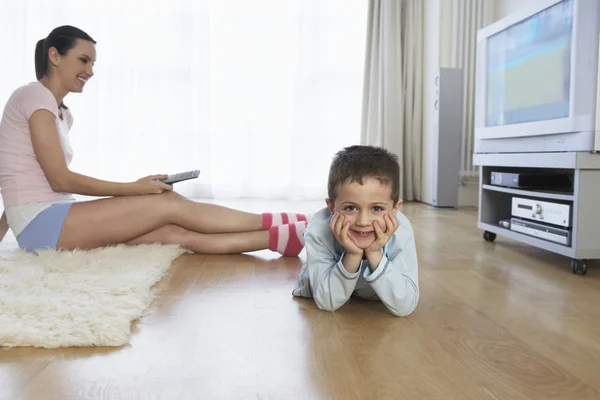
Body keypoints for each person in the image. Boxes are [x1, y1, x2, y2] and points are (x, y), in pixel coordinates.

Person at [0, 25, 308, 256]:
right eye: (83, 60)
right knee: (166, 204)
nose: (90, 71)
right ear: (54, 55)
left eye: (92, 63)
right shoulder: (34, 96)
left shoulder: (61, 114)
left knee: (172, 232)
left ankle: (283, 239)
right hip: (44, 223)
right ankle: (280, 220)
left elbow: (17, 178)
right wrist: (134, 190)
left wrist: (135, 190)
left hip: (44, 221)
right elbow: (58, 179)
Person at [292, 145, 419, 316]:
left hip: (371, 290)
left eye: (377, 208)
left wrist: (374, 253)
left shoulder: (401, 229)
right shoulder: (319, 230)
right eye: (351, 208)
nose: (363, 222)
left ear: (395, 209)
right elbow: (327, 302)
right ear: (331, 207)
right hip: (325, 279)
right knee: (313, 235)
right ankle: (294, 230)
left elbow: (405, 305)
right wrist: (353, 254)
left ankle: (291, 228)